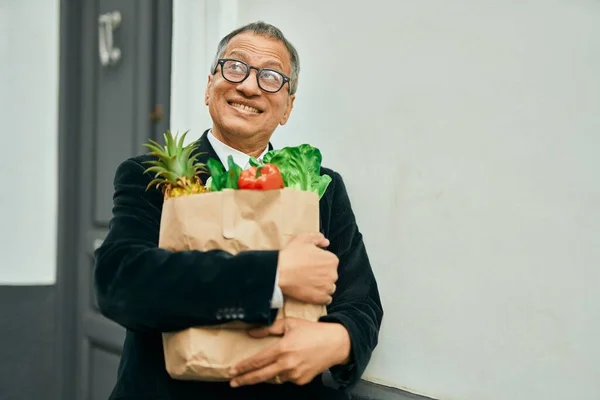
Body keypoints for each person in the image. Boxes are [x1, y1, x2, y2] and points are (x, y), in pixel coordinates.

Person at [94, 21, 383, 400]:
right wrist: (274, 275)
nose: (248, 86)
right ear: (209, 85)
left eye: (271, 77)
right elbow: (120, 283)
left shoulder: (321, 187)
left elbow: (362, 303)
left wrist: (338, 340)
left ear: (288, 107)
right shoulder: (152, 177)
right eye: (235, 67)